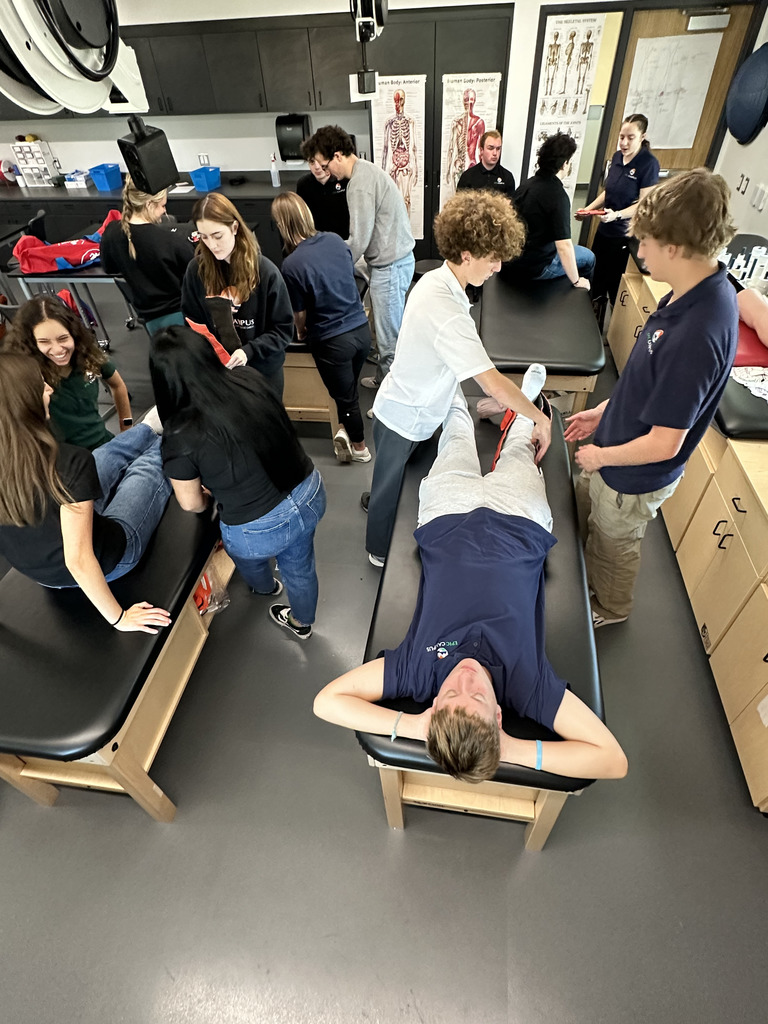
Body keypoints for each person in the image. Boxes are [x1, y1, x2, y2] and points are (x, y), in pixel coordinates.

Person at [314, 372, 628, 784]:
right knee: (519, 448)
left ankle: (460, 392)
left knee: (457, 436)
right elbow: (612, 760)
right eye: (478, 695)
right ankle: (524, 401)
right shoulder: (526, 686)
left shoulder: (418, 672)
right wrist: (510, 749)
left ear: (433, 705)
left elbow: (327, 702)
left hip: (447, 517)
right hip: (520, 522)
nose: (463, 679)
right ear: (498, 713)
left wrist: (412, 727)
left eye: (448, 696)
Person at [565, 168, 738, 628]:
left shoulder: (698, 335)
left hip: (633, 476)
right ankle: (587, 578)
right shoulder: (687, 293)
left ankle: (610, 607)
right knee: (593, 526)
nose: (638, 251)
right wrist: (604, 411)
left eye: (645, 242)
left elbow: (666, 444)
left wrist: (601, 456)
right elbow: (645, 376)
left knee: (615, 543)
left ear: (675, 248)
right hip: (617, 444)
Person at [363, 189, 552, 567]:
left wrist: (500, 401)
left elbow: (454, 361)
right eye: (493, 258)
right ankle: (378, 551)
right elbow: (492, 380)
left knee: (394, 473)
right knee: (388, 490)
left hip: (419, 403)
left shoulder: (439, 281)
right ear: (467, 254)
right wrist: (540, 417)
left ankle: (381, 492)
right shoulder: (446, 308)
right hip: (404, 416)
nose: (498, 267)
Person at [149, 325, 326, 640]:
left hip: (257, 528)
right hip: (309, 490)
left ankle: (265, 588)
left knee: (248, 557)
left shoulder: (179, 435)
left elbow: (190, 503)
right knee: (300, 564)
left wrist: (208, 494)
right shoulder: (248, 378)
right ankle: (302, 622)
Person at [0, 352, 172, 633]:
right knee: (147, 469)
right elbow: (78, 560)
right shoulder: (68, 463)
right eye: (41, 385)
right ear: (23, 400)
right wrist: (120, 618)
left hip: (42, 567)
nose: (50, 389)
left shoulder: (59, 460)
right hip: (109, 559)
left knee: (103, 456)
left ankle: (147, 428)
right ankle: (170, 433)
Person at [305, 125, 415, 388]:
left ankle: (390, 401)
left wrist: (327, 266)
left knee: (390, 341)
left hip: (391, 265)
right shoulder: (365, 170)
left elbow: (358, 242)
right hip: (392, 259)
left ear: (338, 155)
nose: (326, 172)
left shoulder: (359, 186)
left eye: (325, 165)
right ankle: (383, 376)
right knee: (381, 331)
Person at [271, 192, 372, 464]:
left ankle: (360, 449)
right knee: (347, 389)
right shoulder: (334, 240)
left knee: (347, 396)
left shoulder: (291, 264)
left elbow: (299, 313)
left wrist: (301, 333)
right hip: (361, 332)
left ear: (282, 225)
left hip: (332, 341)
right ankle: (343, 429)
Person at [181, 192, 294, 397]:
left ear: (234, 228)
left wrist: (248, 351)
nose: (212, 245)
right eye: (203, 237)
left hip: (262, 371)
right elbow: (192, 322)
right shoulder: (196, 271)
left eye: (217, 236)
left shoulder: (265, 272)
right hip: (219, 373)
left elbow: (282, 331)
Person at [4, 295, 132, 450]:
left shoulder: (88, 355)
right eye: (44, 342)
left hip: (102, 443)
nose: (58, 349)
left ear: (74, 334)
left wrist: (126, 429)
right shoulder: (27, 374)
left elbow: (118, 385)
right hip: (66, 458)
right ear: (31, 342)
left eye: (63, 338)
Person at [577, 113, 659, 324]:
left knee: (615, 286)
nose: (624, 142)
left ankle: (614, 333)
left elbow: (644, 203)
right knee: (597, 279)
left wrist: (617, 215)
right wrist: (589, 209)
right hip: (604, 230)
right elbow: (609, 191)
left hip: (624, 235)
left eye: (630, 137)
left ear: (642, 137)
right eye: (621, 137)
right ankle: (592, 323)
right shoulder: (616, 157)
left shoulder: (648, 164)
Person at [100, 176, 196, 336]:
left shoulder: (111, 232)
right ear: (149, 204)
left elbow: (109, 267)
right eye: (162, 206)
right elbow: (195, 278)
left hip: (148, 317)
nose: (165, 211)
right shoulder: (171, 242)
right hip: (180, 318)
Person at [505, 132, 593, 287]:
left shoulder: (526, 185)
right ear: (565, 164)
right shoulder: (559, 197)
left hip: (510, 264)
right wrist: (577, 281)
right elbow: (564, 247)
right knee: (589, 257)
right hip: (536, 269)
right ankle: (583, 296)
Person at [297, 141, 350, 239]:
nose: (317, 167)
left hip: (343, 240)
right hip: (317, 240)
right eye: (312, 162)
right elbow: (303, 219)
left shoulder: (344, 181)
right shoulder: (304, 185)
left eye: (320, 161)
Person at [380, 88, 419, 214]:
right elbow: (385, 148)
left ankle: (406, 227)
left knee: (406, 198)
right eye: (396, 100)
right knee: (393, 199)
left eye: (400, 99)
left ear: (404, 100)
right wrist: (382, 172)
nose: (398, 103)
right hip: (393, 166)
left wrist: (416, 169)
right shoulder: (389, 122)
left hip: (406, 165)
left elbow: (413, 147)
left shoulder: (410, 121)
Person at [456, 130, 516, 200]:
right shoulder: (467, 176)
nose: (495, 153)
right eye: (490, 148)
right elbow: (459, 206)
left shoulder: (507, 177)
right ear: (481, 150)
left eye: (498, 149)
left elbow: (510, 207)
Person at [445, 89, 485, 191]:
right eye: (466, 100)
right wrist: (448, 170)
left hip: (472, 165)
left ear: (474, 101)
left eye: (471, 99)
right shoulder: (456, 122)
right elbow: (451, 148)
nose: (468, 103)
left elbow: (481, 150)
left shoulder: (479, 122)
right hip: (458, 165)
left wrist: (482, 173)